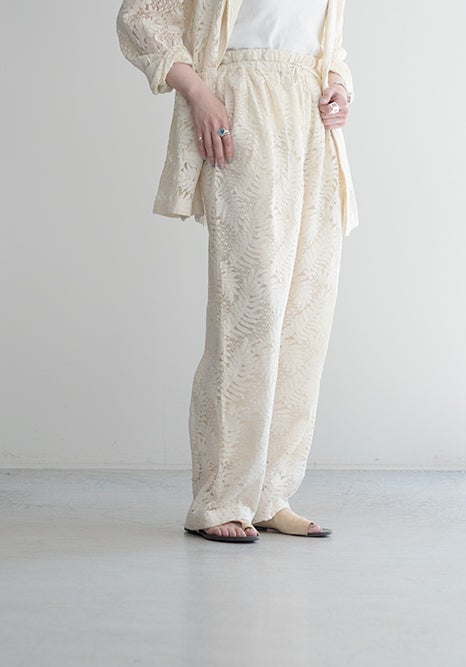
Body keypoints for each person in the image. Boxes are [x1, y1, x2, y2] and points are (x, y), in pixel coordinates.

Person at [116, 0, 358, 543]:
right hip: (242, 104)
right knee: (251, 311)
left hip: (312, 121)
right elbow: (140, 15)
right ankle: (221, 497)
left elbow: (323, 41)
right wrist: (199, 92)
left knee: (304, 313)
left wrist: (339, 85)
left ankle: (270, 493)